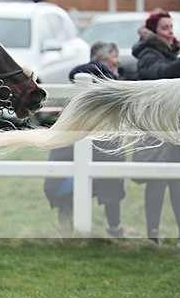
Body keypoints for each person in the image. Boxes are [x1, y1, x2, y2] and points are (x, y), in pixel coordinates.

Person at [132, 10, 180, 246]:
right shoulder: (147, 53)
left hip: (175, 127)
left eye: (171, 27)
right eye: (165, 27)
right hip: (157, 128)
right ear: (154, 31)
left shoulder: (168, 52)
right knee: (156, 181)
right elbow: (162, 77)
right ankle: (153, 236)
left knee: (179, 181)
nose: (170, 31)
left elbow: (173, 75)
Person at [43, 41, 126, 236]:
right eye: (115, 56)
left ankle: (112, 229)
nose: (119, 60)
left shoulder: (100, 95)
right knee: (108, 179)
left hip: (93, 167)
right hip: (66, 173)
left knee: (111, 177)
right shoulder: (88, 96)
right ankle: (71, 231)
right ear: (102, 61)